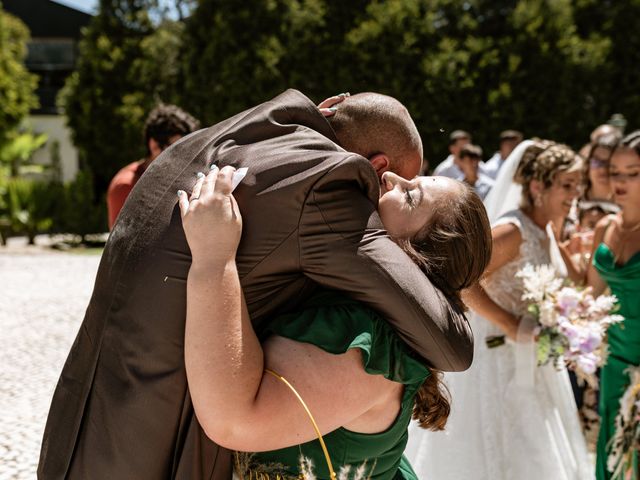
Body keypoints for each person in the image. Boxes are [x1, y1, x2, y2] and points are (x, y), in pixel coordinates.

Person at [39, 90, 473, 480]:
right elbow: (454, 345)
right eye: (394, 176)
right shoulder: (325, 186)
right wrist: (214, 258)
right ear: (376, 165)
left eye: (412, 194)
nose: (388, 183)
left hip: (85, 415)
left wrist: (216, 258)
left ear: (328, 105)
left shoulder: (214, 139)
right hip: (145, 435)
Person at [179, 165, 492, 479]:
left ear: (416, 255)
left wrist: (214, 256)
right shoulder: (358, 306)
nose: (390, 177)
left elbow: (235, 421)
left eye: (410, 196)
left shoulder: (367, 349)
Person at [406, 140, 593, 480]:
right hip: (496, 358)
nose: (575, 194)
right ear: (538, 187)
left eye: (578, 186)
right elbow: (464, 280)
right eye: (567, 185)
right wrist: (509, 322)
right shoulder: (513, 230)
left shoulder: (546, 230)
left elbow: (572, 282)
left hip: (534, 360)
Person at [587, 131, 640, 480]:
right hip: (614, 361)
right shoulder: (604, 226)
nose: (619, 181)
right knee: (613, 452)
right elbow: (592, 296)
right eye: (615, 171)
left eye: (633, 172)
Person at [106, 104, 200, 229]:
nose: (184, 156)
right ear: (154, 145)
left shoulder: (176, 178)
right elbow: (120, 244)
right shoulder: (126, 185)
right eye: (177, 148)